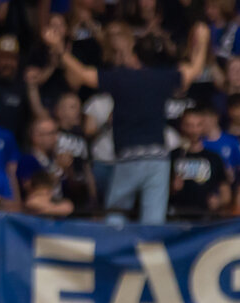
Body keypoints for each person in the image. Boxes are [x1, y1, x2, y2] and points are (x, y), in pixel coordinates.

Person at [47, 21, 210, 225]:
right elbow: (195, 70)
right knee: (153, 223)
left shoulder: (119, 78)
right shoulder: (161, 77)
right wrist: (203, 40)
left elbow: (82, 73)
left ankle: (117, 257)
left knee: (115, 219)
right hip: (158, 159)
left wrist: (58, 48)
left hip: (129, 158)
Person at [170, 110, 229, 215]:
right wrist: (171, 188)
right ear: (181, 126)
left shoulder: (214, 157)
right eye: (189, 125)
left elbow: (226, 192)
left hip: (206, 219)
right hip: (177, 216)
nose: (193, 130)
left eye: (198, 125)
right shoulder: (172, 156)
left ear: (203, 127)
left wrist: (219, 201)